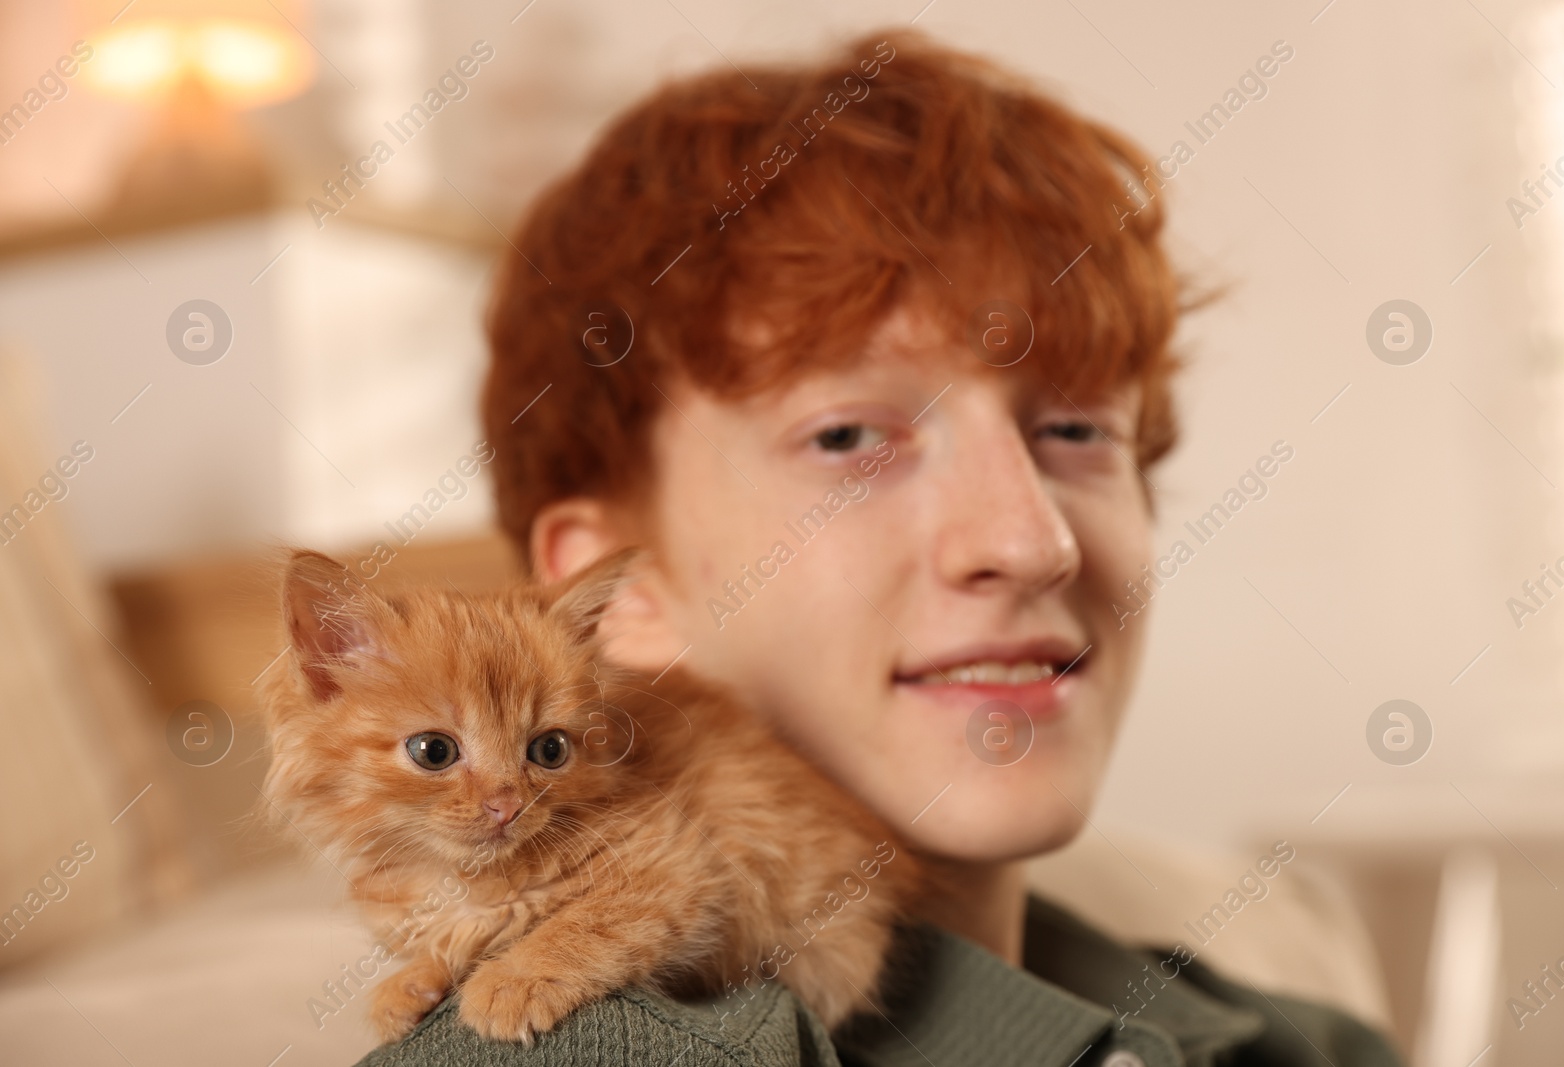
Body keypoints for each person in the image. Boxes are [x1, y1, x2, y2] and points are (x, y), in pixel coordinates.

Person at [357, 30, 1404, 1067]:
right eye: (849, 436)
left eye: (1077, 430)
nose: (1028, 540)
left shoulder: (1303, 1040)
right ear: (606, 607)